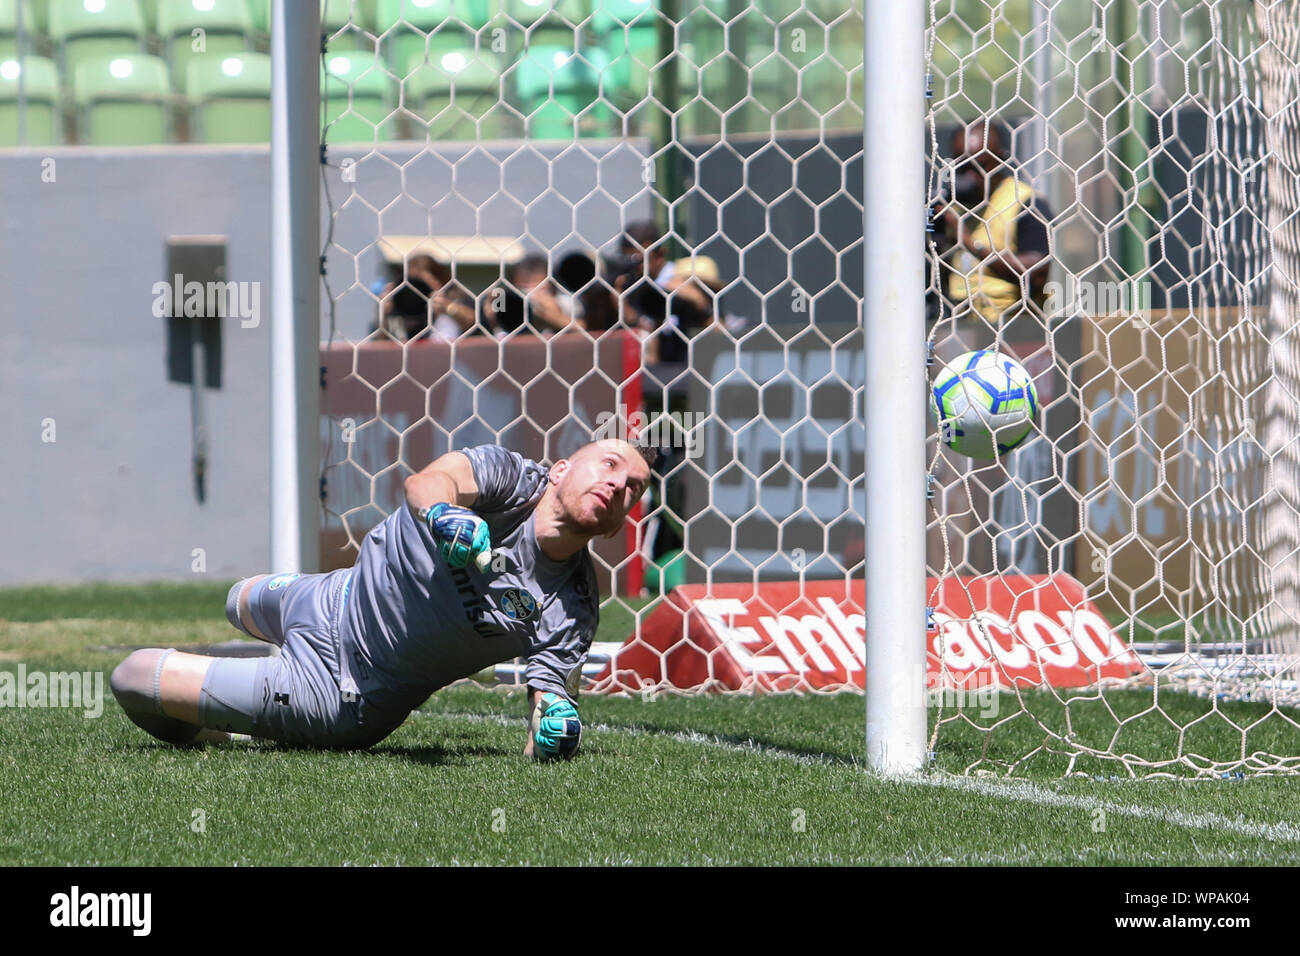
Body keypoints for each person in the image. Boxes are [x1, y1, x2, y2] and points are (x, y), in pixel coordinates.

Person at [109, 438, 655, 758]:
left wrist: (556, 724)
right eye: (610, 465)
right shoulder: (510, 478)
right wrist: (445, 513)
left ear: (615, 528)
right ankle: (233, 674)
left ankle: (225, 729)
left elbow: (550, 702)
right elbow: (428, 481)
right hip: (329, 594)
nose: (619, 485)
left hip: (344, 689)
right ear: (560, 469)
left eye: (634, 488)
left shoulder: (574, 605)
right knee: (237, 599)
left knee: (134, 676)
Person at [938, 119, 1053, 326]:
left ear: (1000, 160)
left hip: (1014, 328)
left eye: (979, 166)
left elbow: (1036, 276)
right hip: (961, 326)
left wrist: (971, 244)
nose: (970, 177)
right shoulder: (952, 205)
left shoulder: (1025, 202)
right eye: (962, 167)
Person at [375, 253, 478, 341]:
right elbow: (380, 348)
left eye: (420, 283)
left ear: (440, 280)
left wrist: (448, 307)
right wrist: (384, 314)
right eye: (410, 284)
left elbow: (476, 323)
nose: (416, 290)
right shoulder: (401, 305)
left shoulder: (457, 298)